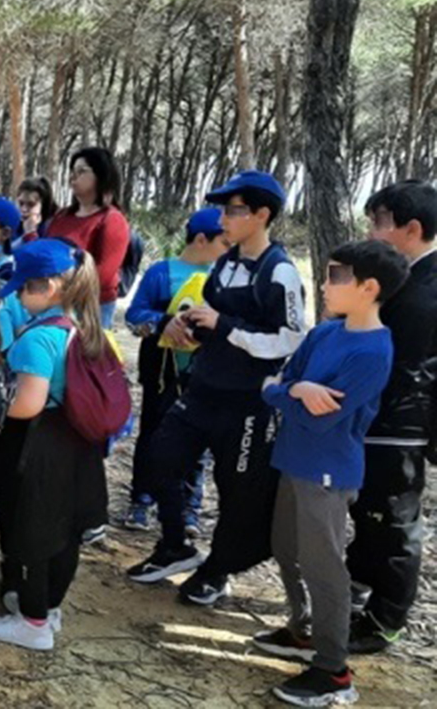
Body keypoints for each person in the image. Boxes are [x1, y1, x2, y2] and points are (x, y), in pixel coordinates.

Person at [126, 170, 305, 606]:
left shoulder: (279, 272)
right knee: (161, 458)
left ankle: (218, 569)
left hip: (248, 403)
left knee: (238, 491)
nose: (224, 218)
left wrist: (224, 327)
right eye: (223, 209)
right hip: (202, 388)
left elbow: (289, 339)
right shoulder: (225, 264)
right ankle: (175, 546)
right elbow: (215, 314)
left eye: (235, 210)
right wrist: (192, 325)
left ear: (263, 215)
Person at [251, 240, 406, 707]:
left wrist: (288, 392)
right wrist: (296, 388)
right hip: (293, 461)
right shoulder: (324, 333)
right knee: (286, 549)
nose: (324, 282)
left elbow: (319, 417)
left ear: (369, 287)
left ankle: (333, 670)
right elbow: (276, 385)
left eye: (336, 275)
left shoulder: (374, 352)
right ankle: (302, 632)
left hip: (326, 472)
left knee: (324, 570)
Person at [0, 239, 109, 653]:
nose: (18, 295)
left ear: (50, 286)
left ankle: (32, 621)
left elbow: (28, 402)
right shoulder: (83, 328)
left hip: (38, 444)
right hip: (76, 442)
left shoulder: (39, 339)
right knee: (64, 530)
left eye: (24, 287)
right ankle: (50, 606)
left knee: (31, 530)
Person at [347, 180, 437, 654]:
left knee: (394, 521)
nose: (371, 231)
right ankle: (359, 583)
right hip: (378, 418)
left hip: (400, 425)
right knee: (368, 510)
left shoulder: (425, 291)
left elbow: (405, 366)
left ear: (412, 228)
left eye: (379, 222)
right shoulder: (405, 279)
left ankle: (385, 619)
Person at [122, 207, 229, 531]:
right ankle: (142, 500)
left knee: (200, 441)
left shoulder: (226, 276)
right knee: (153, 433)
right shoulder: (160, 273)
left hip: (205, 375)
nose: (230, 247)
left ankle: (188, 509)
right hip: (161, 373)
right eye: (224, 241)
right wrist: (162, 324)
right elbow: (134, 315)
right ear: (201, 239)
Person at [45, 148, 130, 328]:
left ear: (102, 175)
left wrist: (63, 290)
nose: (72, 177)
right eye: (72, 171)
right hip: (51, 299)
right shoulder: (62, 216)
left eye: (81, 171)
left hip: (91, 308)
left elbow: (103, 274)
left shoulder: (111, 219)